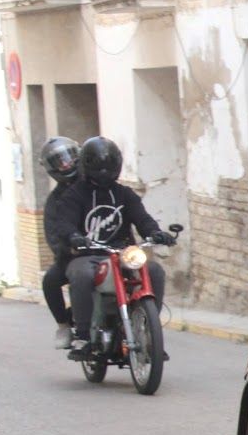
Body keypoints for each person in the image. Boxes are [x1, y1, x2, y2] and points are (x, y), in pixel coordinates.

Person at [54, 136, 176, 358]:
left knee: (154, 270)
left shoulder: (124, 194)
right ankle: (83, 337)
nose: (104, 172)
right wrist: (74, 236)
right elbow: (64, 222)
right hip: (88, 254)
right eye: (99, 167)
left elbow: (143, 218)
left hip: (122, 253)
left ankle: (149, 329)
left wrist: (155, 233)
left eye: (108, 167)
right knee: (81, 274)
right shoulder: (75, 194)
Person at [39, 136, 80, 348]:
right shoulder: (55, 201)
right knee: (49, 281)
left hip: (110, 249)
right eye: (59, 161)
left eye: (69, 158)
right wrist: (67, 249)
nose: (66, 164)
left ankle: (145, 320)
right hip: (75, 254)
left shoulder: (97, 185)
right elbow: (53, 234)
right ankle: (63, 325)